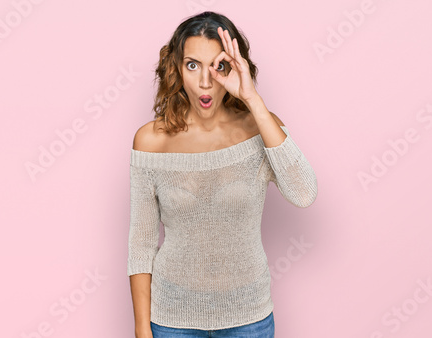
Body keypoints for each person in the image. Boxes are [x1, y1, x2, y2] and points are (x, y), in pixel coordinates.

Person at [127, 11, 318, 338]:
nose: (205, 81)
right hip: (172, 322)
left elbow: (304, 193)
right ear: (176, 69)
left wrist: (252, 99)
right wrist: (142, 331)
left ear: (235, 68)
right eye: (192, 65)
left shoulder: (258, 128)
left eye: (219, 66)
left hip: (249, 319)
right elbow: (141, 246)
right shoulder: (151, 141)